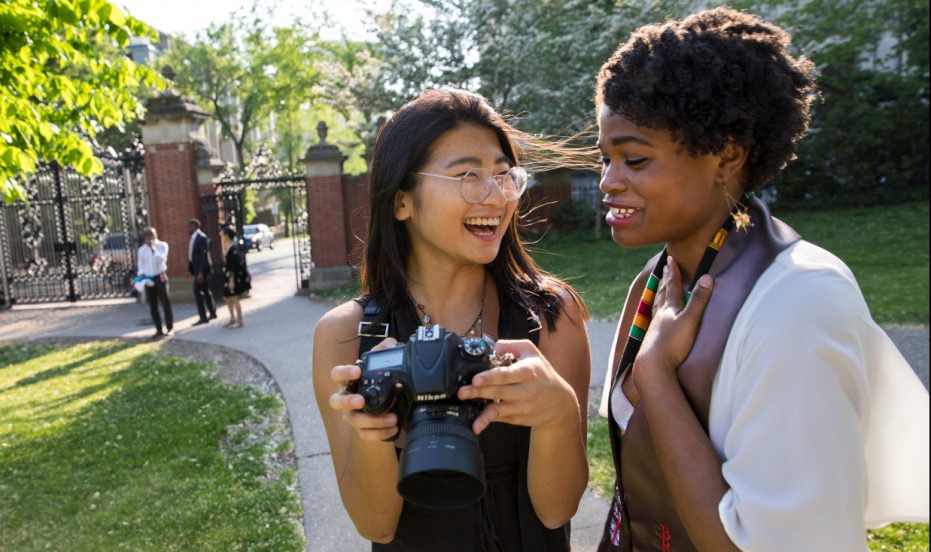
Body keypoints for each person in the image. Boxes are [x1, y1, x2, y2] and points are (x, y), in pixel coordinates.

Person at [592, 7, 930, 551]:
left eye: (633, 159)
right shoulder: (655, 283)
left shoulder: (799, 300)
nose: (608, 181)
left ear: (726, 155)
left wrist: (656, 373)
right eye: (604, 158)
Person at [312, 88, 593, 550]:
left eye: (504, 175)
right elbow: (376, 526)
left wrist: (558, 412)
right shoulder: (346, 335)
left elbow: (557, 510)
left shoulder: (550, 315)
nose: (497, 197)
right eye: (468, 175)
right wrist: (372, 431)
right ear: (401, 200)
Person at [136, 227, 173, 339]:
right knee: (153, 305)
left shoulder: (162, 246)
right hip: (149, 279)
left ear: (155, 235)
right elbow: (141, 266)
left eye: (151, 235)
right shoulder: (141, 250)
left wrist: (153, 249)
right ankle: (158, 329)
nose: (149, 238)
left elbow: (161, 260)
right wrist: (141, 275)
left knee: (165, 302)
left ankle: (169, 327)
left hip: (160, 276)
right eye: (147, 236)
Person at [186, 218, 217, 326]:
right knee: (205, 291)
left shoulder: (201, 237)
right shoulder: (193, 238)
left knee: (198, 292)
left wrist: (200, 272)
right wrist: (190, 270)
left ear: (194, 226)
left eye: (189, 226)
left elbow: (204, 256)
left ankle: (203, 317)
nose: (187, 229)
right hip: (196, 270)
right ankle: (212, 312)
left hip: (202, 271)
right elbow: (192, 256)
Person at [220, 226, 251, 328]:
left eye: (224, 234)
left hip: (232, 277)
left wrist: (231, 280)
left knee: (235, 298)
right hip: (228, 275)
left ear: (227, 236)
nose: (222, 236)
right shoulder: (229, 247)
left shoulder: (233, 248)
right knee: (228, 298)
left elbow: (235, 266)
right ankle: (232, 318)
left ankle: (240, 319)